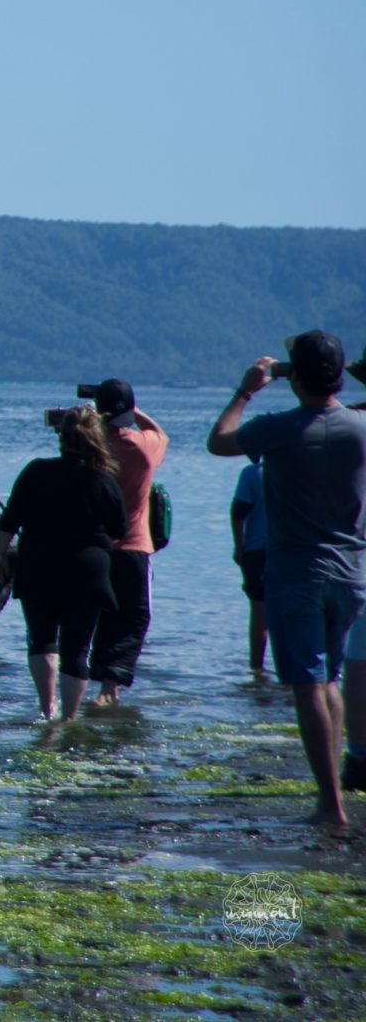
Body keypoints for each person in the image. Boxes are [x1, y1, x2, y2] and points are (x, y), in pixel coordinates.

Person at [207, 331, 366, 827]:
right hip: (352, 574)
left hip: (297, 574)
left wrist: (246, 389)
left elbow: (218, 441)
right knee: (330, 678)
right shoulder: (361, 427)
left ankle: (329, 803)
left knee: (306, 685)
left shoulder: (276, 429)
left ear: (293, 377)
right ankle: (336, 785)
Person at [0, 407, 125, 724]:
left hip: (39, 563)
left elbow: (10, 519)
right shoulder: (103, 479)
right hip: (87, 570)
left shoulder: (36, 471)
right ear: (96, 437)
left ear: (60, 437)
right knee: (77, 650)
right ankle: (68, 719)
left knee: (41, 641)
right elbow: (119, 530)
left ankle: (45, 710)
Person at [86, 378, 166, 708]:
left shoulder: (90, 447)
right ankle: (109, 688)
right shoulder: (143, 446)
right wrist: (136, 412)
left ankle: (87, 685)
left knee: (96, 614)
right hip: (133, 547)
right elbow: (162, 434)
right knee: (132, 616)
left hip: (95, 546)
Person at [232, 456, 269, 678]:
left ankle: (256, 668)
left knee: (259, 611)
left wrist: (238, 547)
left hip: (257, 551)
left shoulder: (252, 473)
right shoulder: (302, 467)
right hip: (294, 552)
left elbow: (238, 512)